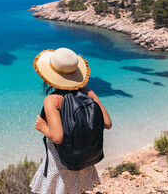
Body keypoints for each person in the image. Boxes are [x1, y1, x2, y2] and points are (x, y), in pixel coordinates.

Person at [30, 48, 112, 194]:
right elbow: (107, 123)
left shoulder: (52, 100)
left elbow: (57, 137)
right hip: (84, 158)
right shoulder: (89, 93)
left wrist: (43, 127)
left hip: (62, 161)